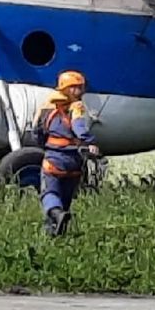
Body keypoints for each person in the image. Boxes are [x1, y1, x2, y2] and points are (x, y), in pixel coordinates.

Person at [37, 70, 100, 237]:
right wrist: (91, 142)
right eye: (77, 88)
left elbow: (37, 132)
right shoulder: (76, 108)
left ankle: (56, 216)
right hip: (75, 162)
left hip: (54, 160)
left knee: (49, 193)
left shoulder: (47, 107)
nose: (80, 92)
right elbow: (80, 129)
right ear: (69, 89)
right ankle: (58, 233)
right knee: (65, 198)